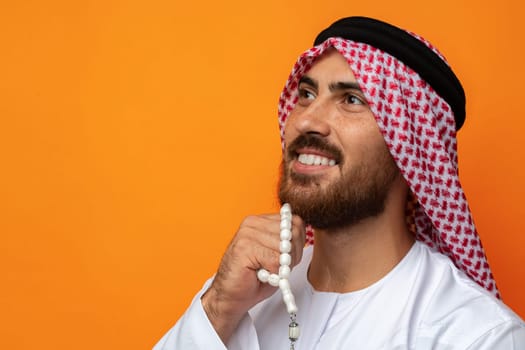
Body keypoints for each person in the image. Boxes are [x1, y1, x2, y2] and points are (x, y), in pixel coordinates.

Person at [153, 16, 525, 349]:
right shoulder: (239, 294)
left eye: (351, 99)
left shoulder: (477, 335)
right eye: (306, 95)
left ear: (408, 142)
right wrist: (218, 306)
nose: (305, 121)